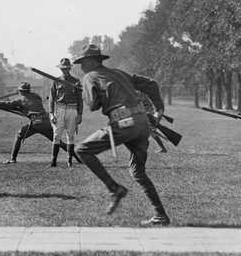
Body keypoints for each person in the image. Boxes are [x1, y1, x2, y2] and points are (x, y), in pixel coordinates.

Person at [73, 44, 170, 225]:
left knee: (82, 150)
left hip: (124, 122)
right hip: (142, 123)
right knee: (138, 172)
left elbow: (93, 105)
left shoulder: (89, 77)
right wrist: (159, 110)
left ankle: (114, 189)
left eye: (83, 62)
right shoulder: (120, 73)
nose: (81, 67)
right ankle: (160, 215)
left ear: (92, 61)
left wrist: (87, 92)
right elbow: (151, 84)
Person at [0, 82, 67, 164]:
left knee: (19, 135)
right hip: (46, 121)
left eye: (20, 91)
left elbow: (8, 104)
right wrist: (21, 109)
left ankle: (13, 159)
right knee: (57, 141)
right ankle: (76, 154)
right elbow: (29, 107)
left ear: (22, 91)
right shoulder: (37, 96)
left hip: (36, 123)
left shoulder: (21, 99)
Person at [49, 58, 83, 167]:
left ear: (70, 68)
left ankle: (69, 161)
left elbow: (80, 99)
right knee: (56, 136)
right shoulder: (56, 81)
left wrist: (80, 114)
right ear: (61, 69)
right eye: (63, 68)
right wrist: (51, 113)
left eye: (67, 68)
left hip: (72, 110)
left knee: (70, 136)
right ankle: (53, 161)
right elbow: (51, 98)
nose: (65, 70)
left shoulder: (76, 82)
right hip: (59, 109)